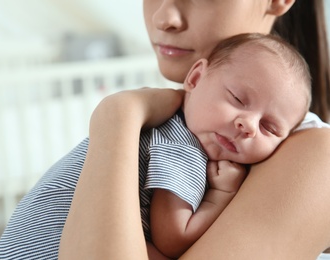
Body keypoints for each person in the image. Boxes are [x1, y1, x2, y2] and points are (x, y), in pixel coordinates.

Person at [0, 32, 311, 260]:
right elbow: (174, 238)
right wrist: (220, 195)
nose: (248, 125)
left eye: (269, 127)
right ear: (196, 78)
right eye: (238, 99)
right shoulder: (181, 144)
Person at [58, 1, 330, 260]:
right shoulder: (181, 130)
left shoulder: (317, 157)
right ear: (197, 78)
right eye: (236, 98)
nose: (164, 18)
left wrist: (119, 114)